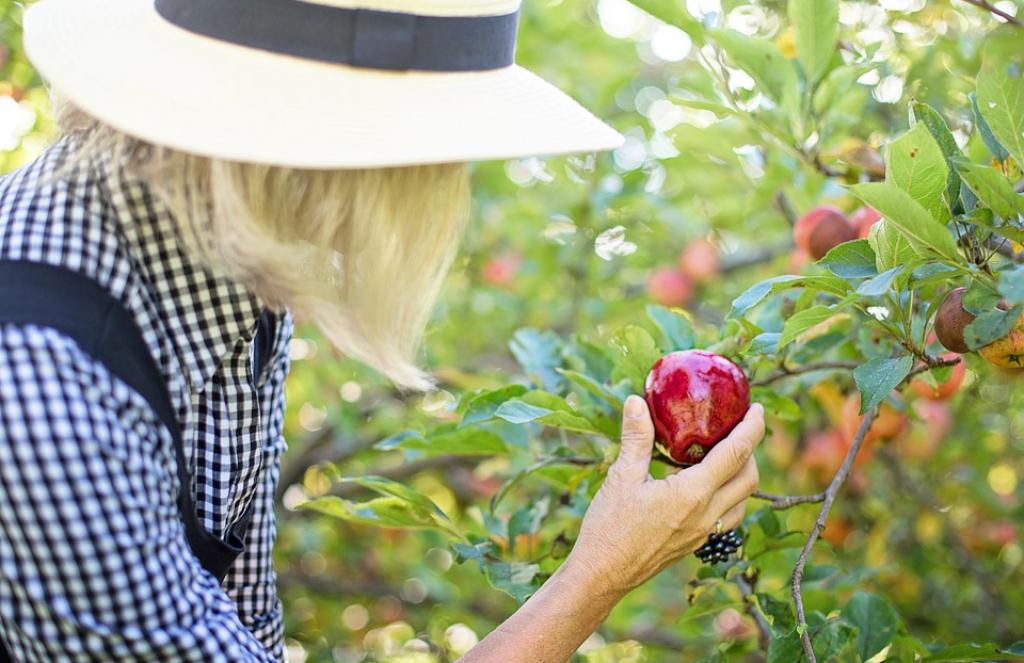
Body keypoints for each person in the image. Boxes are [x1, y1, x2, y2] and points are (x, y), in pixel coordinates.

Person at [0, 0, 764, 660]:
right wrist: (599, 572)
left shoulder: (234, 236)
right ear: (326, 152)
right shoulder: (47, 394)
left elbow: (240, 618)